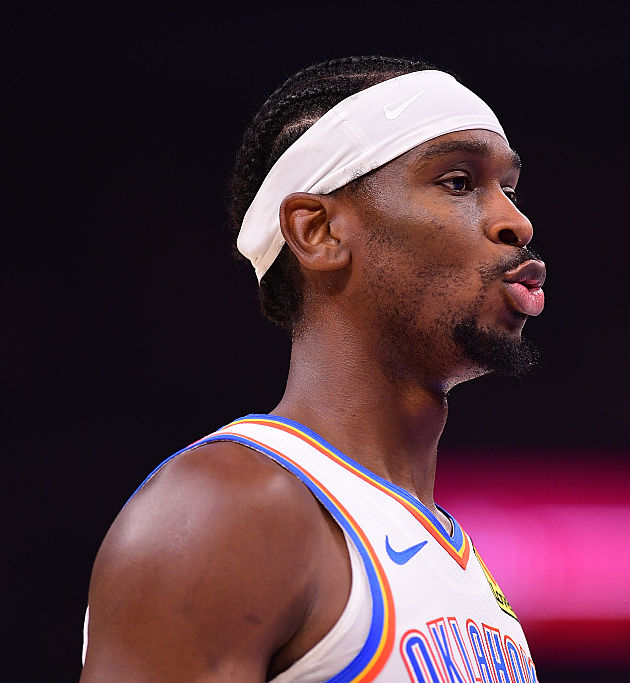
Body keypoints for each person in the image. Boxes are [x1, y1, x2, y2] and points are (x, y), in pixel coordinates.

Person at [81, 56, 543, 682]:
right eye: (459, 182)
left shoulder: (451, 559)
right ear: (318, 231)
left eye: (507, 188)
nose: (516, 222)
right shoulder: (227, 511)